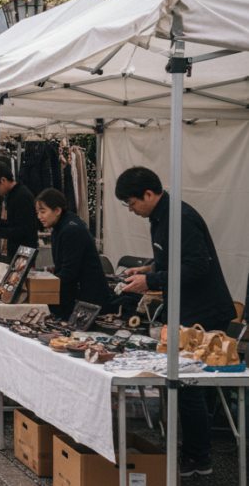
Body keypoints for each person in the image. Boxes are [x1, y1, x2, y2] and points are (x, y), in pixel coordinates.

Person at [116, 166, 235, 477]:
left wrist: (152, 280)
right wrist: (147, 269)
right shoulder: (159, 216)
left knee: (190, 385)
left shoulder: (179, 216)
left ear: (149, 194)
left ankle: (199, 459)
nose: (131, 210)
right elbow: (174, 258)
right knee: (189, 386)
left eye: (132, 203)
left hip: (204, 312)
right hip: (188, 309)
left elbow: (197, 266)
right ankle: (196, 451)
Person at [34, 189, 113, 319]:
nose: (39, 217)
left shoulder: (72, 230)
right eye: (38, 213)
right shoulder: (60, 227)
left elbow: (68, 273)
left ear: (58, 211)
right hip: (75, 293)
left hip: (87, 298)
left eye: (43, 212)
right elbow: (63, 265)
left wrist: (40, 285)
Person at [0, 162, 39, 262]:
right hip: (18, 250)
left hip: (24, 251)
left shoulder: (21, 196)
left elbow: (23, 229)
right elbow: (14, 222)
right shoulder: (13, 194)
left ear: (3, 180)